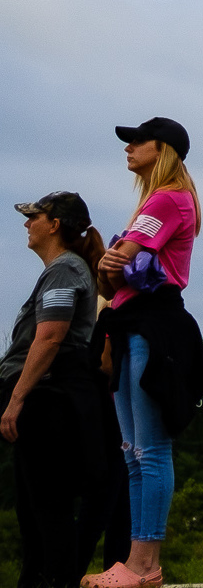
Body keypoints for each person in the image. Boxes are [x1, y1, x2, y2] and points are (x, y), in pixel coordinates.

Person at [94, 116, 203, 588]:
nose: (128, 148)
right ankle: (134, 561)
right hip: (129, 323)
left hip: (150, 325)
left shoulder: (168, 198)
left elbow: (119, 260)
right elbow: (110, 269)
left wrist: (114, 259)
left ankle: (144, 564)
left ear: (162, 149)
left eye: (137, 141)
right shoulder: (153, 200)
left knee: (150, 450)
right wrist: (112, 263)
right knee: (132, 452)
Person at [4, 191, 113, 588]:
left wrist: (16, 400)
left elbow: (50, 338)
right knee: (34, 512)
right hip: (48, 397)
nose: (27, 223)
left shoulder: (65, 270)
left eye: (35, 216)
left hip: (47, 400)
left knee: (47, 510)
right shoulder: (63, 268)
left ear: (54, 225)